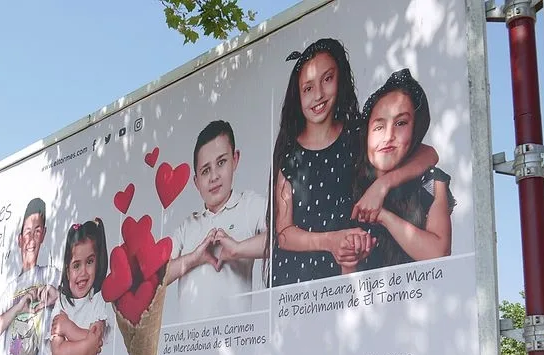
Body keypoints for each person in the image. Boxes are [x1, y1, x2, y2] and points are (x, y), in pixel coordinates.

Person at [268, 39, 439, 286]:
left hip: (353, 275)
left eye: (327, 79)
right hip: (297, 282)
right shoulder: (289, 155)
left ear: (341, 79)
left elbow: (429, 154)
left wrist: (382, 186)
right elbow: (283, 234)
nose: (318, 94)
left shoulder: (357, 134)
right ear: (298, 95)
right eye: (308, 88)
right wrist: (331, 241)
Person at [350, 69, 454, 270]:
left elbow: (438, 252)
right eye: (379, 126)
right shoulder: (350, 177)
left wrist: (383, 214)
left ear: (416, 129)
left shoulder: (431, 182)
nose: (388, 136)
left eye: (400, 123)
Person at [164, 120, 267, 322]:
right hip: (191, 338)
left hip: (235, 335)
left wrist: (237, 249)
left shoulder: (249, 205)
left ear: (235, 159)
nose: (214, 177)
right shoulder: (187, 226)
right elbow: (157, 278)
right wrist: (194, 258)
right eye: (205, 170)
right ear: (196, 182)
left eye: (221, 163)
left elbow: (282, 238)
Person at [0, 198, 61, 355]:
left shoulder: (51, 275)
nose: (31, 239)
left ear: (43, 235)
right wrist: (18, 308)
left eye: (37, 231)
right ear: (19, 239)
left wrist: (57, 296)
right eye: (27, 232)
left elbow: (78, 304)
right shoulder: (10, 289)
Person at [46, 219, 110, 355]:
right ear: (67, 271)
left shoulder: (98, 301)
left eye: (89, 262)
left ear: (97, 263)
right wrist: (87, 343)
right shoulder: (61, 304)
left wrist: (67, 328)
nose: (83, 272)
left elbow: (95, 345)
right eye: (76, 265)